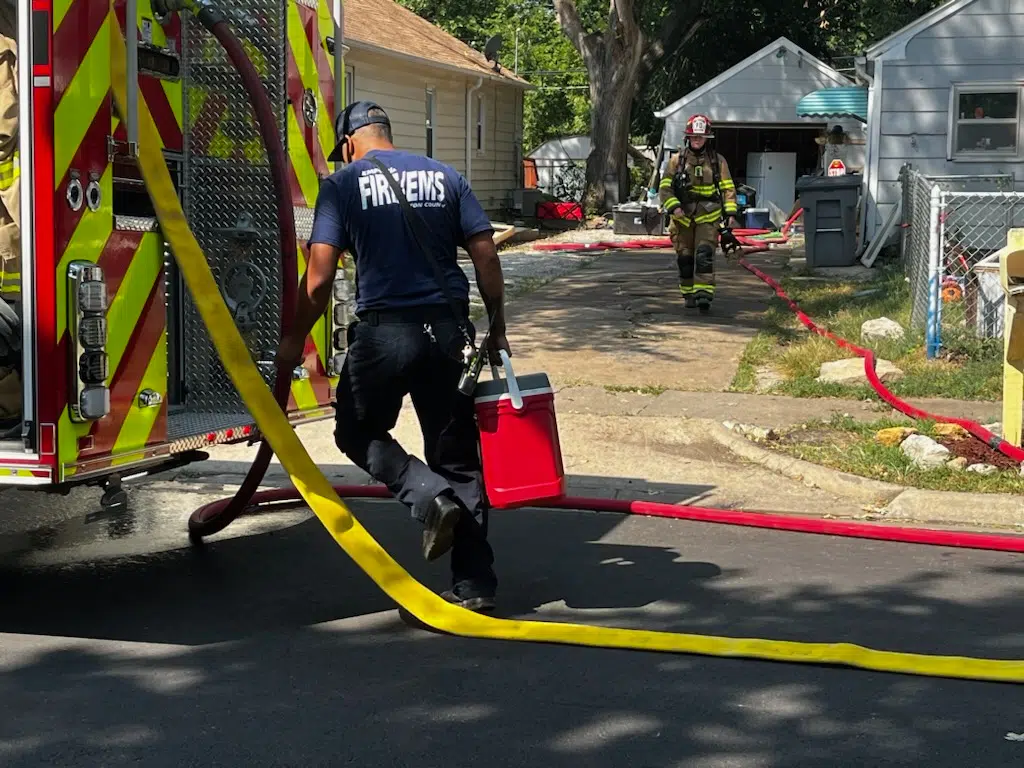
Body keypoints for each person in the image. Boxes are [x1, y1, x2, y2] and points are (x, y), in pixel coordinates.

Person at [276, 101, 509, 612]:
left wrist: (291, 343)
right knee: (458, 456)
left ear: (349, 145)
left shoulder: (342, 186)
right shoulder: (447, 176)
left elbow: (318, 281)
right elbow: (487, 255)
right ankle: (475, 585)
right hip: (449, 334)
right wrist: (498, 326)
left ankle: (427, 496)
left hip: (385, 336)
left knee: (356, 431)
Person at [658, 114, 738, 312]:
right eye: (694, 136)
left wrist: (730, 214)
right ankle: (688, 294)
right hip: (682, 218)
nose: (697, 140)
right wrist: (674, 207)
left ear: (707, 138)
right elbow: (665, 188)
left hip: (708, 217)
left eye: (700, 137)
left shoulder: (717, 162)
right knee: (685, 259)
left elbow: (728, 189)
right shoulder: (676, 161)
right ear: (688, 137)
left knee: (704, 255)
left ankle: (704, 295)